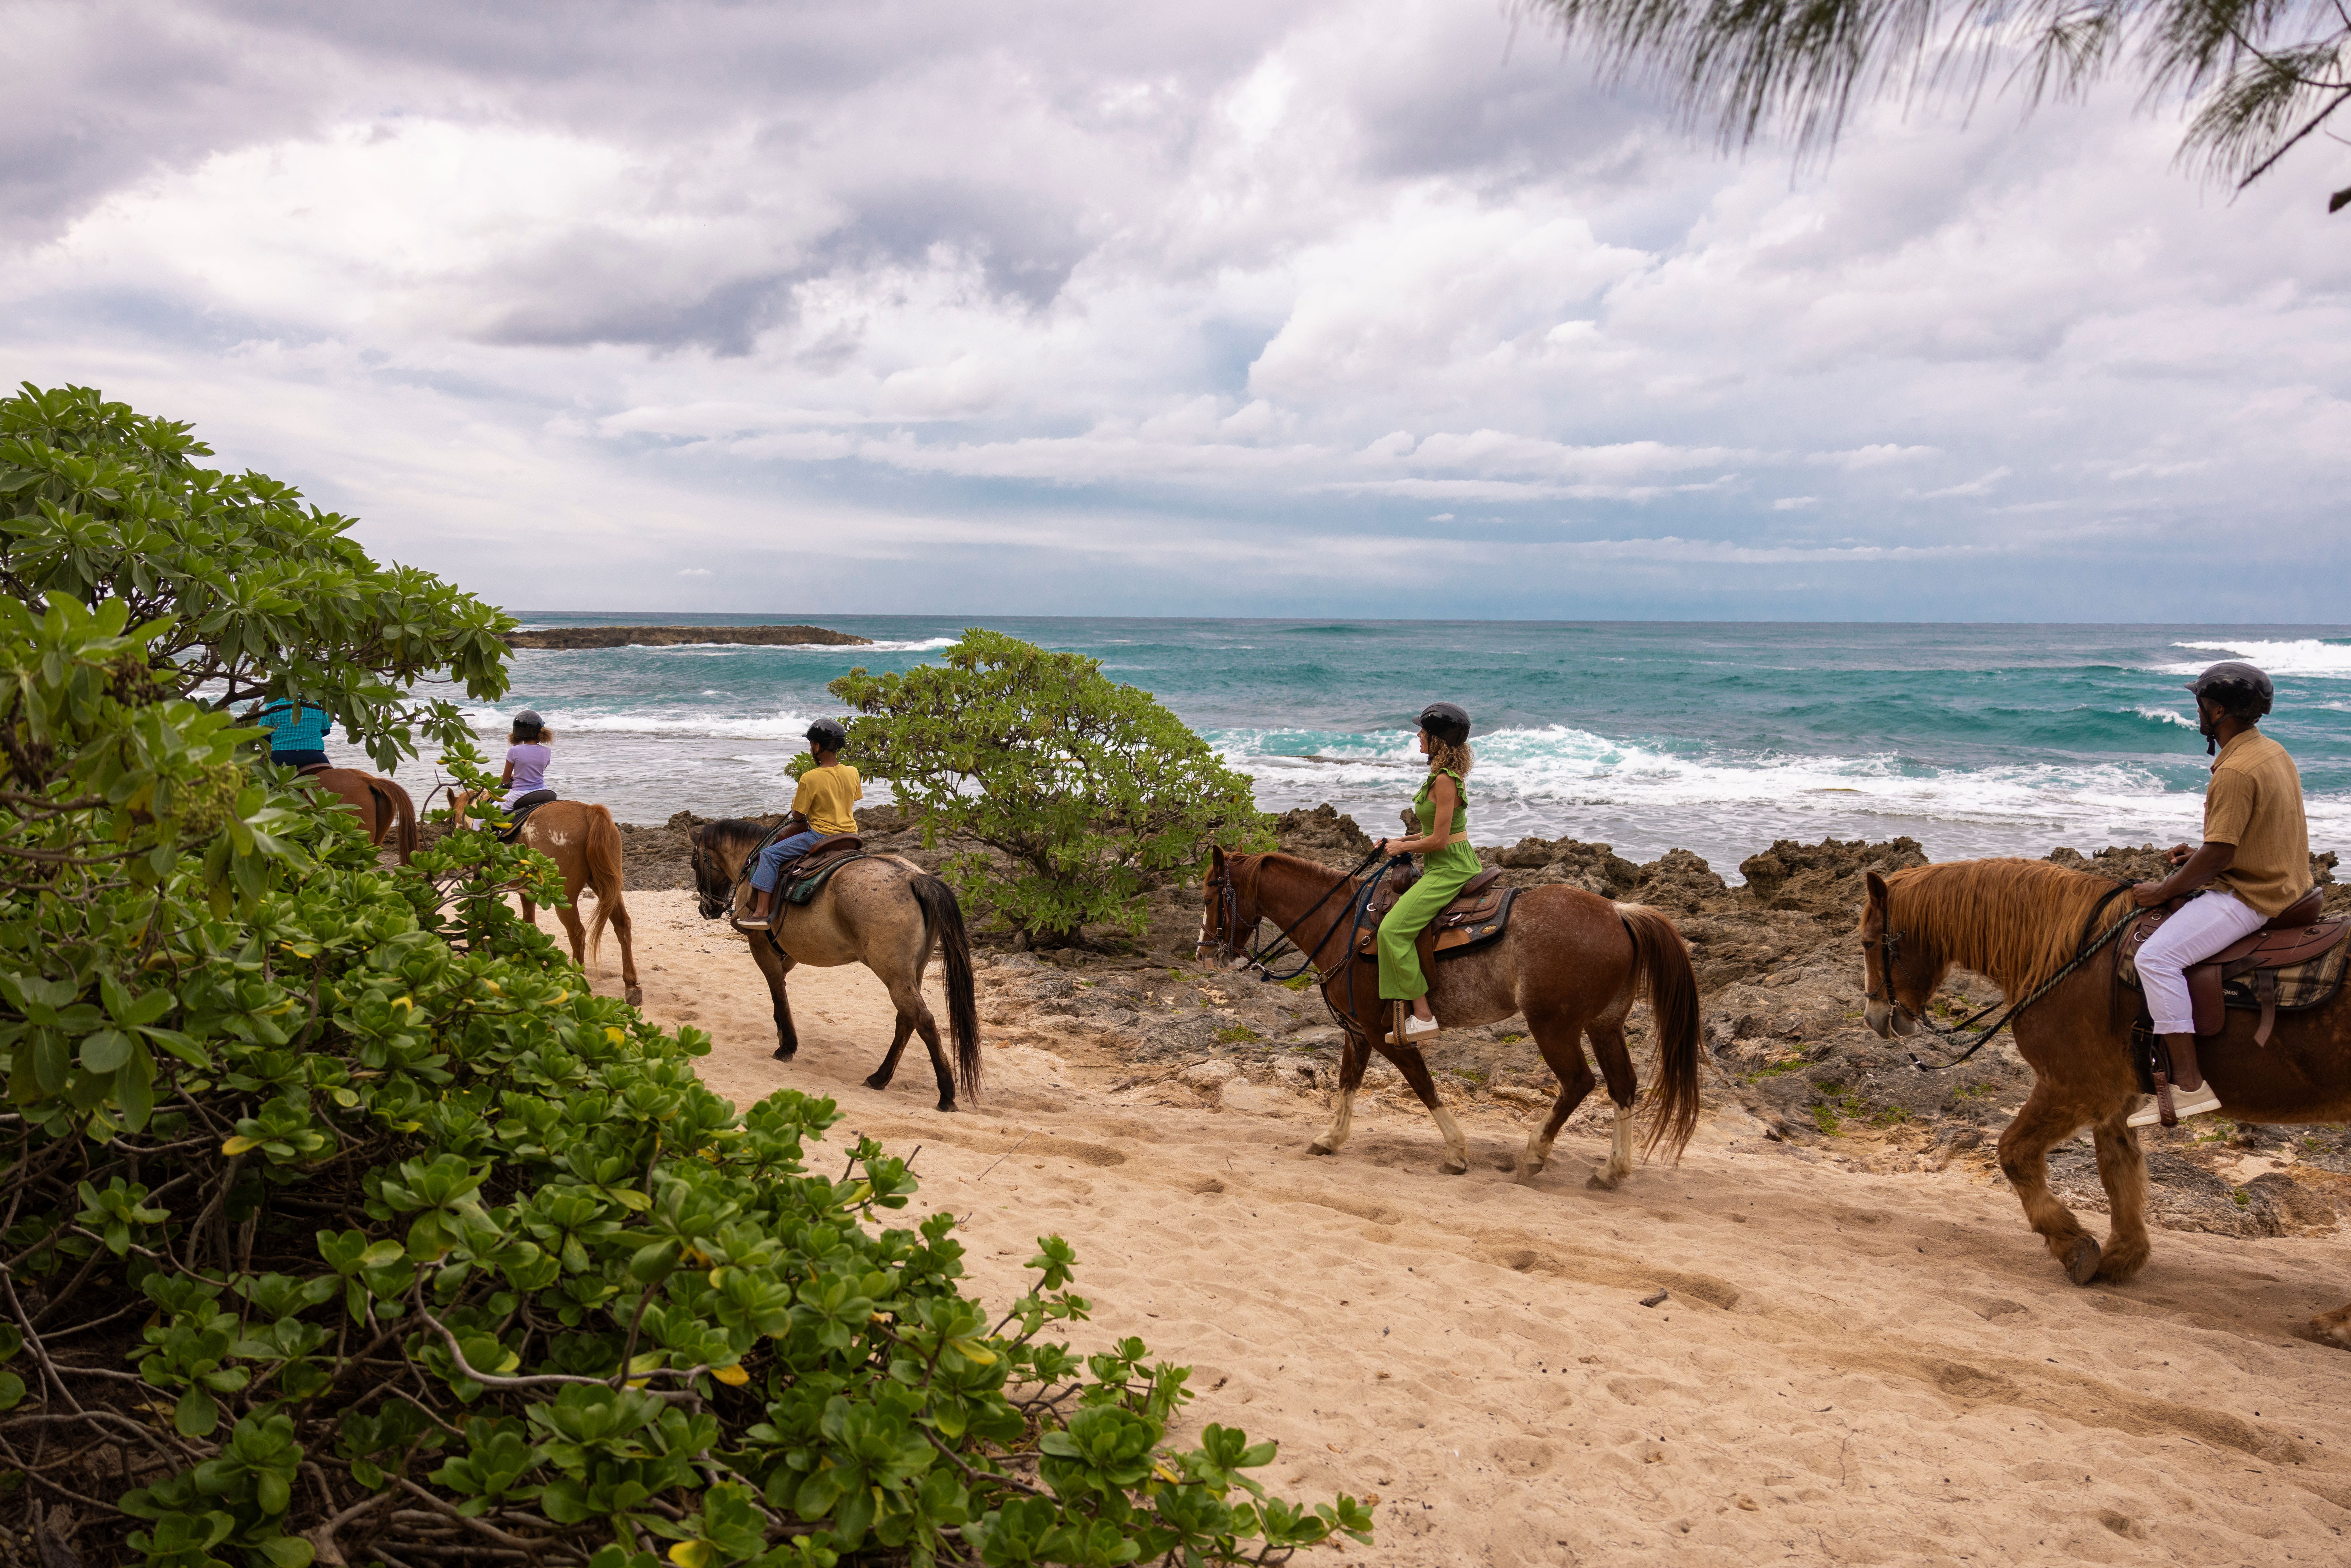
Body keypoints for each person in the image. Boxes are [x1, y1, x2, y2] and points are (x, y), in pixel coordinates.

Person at [2126, 660, 2310, 1126]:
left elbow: (2222, 855)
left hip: (2254, 896)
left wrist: (2164, 890)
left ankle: (2189, 1085)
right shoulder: (2271, 752)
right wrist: (2202, 853)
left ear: (2219, 711)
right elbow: (2254, 831)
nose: (2197, 713)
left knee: (2155, 959)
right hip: (2288, 880)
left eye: (2201, 705)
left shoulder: (2235, 772)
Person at [1371, 702, 1479, 1041]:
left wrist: (1403, 848)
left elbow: (1439, 840)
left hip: (1449, 868)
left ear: (1437, 741)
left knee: (1391, 932)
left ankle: (1423, 1015)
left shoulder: (1446, 780)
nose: (1418, 734)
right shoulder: (1440, 776)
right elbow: (1433, 831)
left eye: (1423, 731)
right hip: (1443, 862)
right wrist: (1399, 839)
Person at [738, 718, 862, 931]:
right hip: (850, 835)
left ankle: (761, 913)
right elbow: (851, 799)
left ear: (817, 746)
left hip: (820, 836)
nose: (811, 748)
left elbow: (798, 816)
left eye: (812, 744)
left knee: (769, 855)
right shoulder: (853, 772)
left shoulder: (810, 778)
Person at [254, 695, 336, 773]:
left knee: (261, 781)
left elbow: (263, 735)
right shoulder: (317, 705)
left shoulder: (273, 706)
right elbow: (326, 731)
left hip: (281, 757)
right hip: (315, 757)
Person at [497, 710, 558, 812]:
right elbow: (535, 773)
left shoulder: (514, 751)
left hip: (519, 794)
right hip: (542, 790)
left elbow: (505, 781)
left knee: (481, 817)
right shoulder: (547, 751)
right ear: (540, 732)